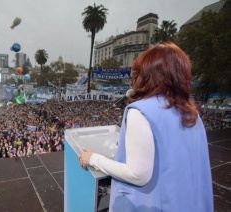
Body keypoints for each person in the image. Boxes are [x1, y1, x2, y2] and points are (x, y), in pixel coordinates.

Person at [79, 42, 213, 211]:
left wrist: (93, 158)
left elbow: (138, 174)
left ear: (148, 74)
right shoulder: (191, 113)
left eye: (138, 71)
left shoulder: (140, 111)